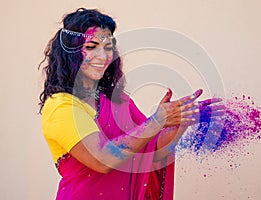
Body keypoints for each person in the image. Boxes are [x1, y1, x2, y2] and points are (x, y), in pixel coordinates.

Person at [39, 8, 222, 200]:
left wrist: (179, 121)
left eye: (108, 47)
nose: (103, 56)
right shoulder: (60, 106)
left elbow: (151, 149)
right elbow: (102, 159)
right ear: (70, 52)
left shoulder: (118, 100)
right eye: (92, 46)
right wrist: (156, 121)